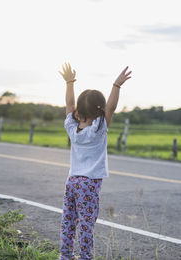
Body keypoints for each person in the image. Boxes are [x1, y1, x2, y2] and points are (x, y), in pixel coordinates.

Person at [58, 63, 132, 260]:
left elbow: (68, 105)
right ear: (99, 111)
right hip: (89, 184)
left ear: (78, 110)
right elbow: (111, 107)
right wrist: (116, 85)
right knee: (86, 223)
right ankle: (84, 257)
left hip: (72, 181)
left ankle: (65, 256)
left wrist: (69, 82)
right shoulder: (98, 129)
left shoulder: (73, 129)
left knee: (68, 220)